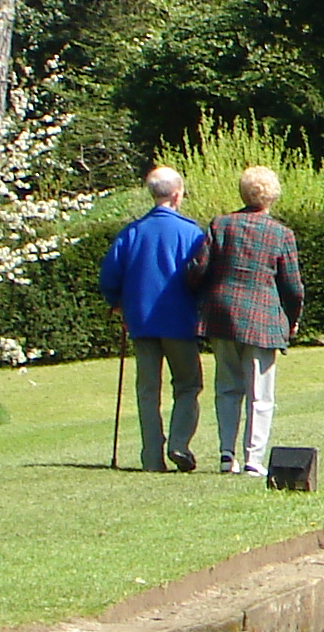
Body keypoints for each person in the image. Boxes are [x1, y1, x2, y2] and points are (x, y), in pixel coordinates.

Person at [182, 165, 303, 475]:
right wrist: (293, 319)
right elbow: (292, 286)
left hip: (221, 314)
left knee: (226, 386)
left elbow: (198, 268)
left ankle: (226, 454)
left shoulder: (221, 225)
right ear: (272, 196)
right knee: (260, 394)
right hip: (262, 317)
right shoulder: (281, 233)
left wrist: (196, 294)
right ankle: (254, 459)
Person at [97, 165, 206, 471]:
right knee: (187, 385)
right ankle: (179, 444)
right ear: (177, 194)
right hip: (179, 321)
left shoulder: (131, 232)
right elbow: (202, 274)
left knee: (147, 391)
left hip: (140, 322)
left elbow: (109, 276)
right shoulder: (190, 232)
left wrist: (117, 303)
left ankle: (151, 458)